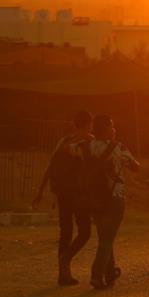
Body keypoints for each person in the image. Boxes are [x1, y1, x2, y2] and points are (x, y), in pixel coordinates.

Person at [67, 115, 140, 290]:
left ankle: (110, 272)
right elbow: (136, 166)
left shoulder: (84, 146)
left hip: (93, 199)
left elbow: (68, 149)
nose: (114, 130)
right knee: (107, 239)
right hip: (114, 198)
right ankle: (96, 274)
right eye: (112, 127)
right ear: (107, 129)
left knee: (105, 237)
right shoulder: (118, 147)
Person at [33, 111, 94, 286]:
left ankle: (63, 274)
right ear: (89, 123)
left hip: (62, 192)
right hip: (79, 193)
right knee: (85, 232)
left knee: (65, 233)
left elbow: (51, 165)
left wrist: (40, 191)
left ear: (74, 123)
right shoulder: (89, 141)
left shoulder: (63, 140)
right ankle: (66, 259)